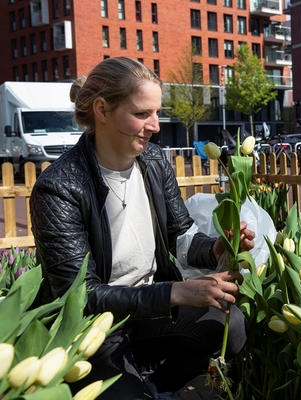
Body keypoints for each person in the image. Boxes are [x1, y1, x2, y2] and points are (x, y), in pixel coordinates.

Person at [30, 57, 255, 399]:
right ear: (102, 110)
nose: (155, 126)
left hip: (148, 313)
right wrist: (175, 293)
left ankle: (158, 388)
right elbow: (79, 297)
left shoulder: (154, 162)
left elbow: (180, 234)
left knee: (231, 324)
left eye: (156, 113)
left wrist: (215, 249)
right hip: (94, 326)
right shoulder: (60, 187)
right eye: (141, 114)